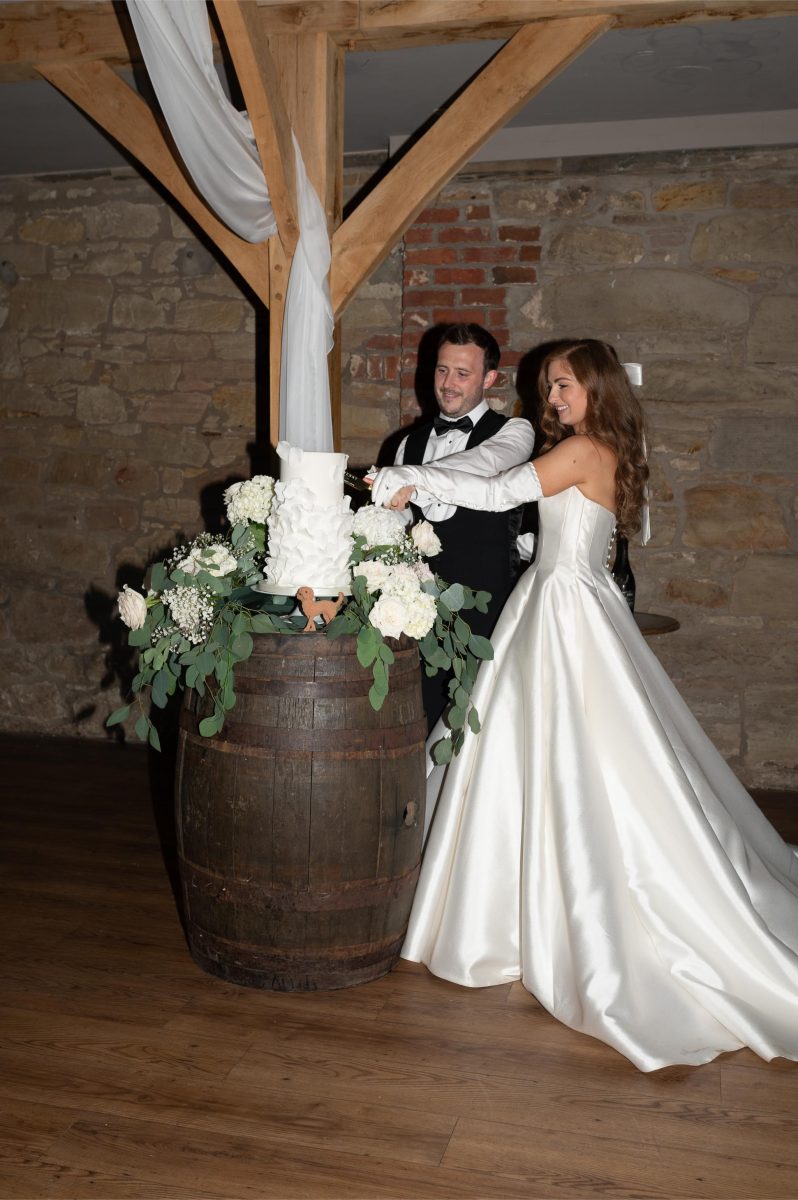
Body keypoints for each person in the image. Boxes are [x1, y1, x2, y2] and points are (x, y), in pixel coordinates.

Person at [371, 338, 798, 1072]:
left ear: (595, 389)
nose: (552, 400)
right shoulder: (592, 447)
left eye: (563, 387)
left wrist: (409, 480)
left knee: (566, 755)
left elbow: (503, 492)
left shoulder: (583, 450)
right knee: (535, 749)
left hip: (562, 608)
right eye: (548, 388)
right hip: (559, 599)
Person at [393, 322, 535, 728]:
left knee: (479, 729)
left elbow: (481, 465)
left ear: (489, 378)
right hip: (419, 620)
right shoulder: (409, 444)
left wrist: (413, 478)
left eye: (462, 373)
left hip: (488, 613)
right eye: (441, 371)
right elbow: (396, 528)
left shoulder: (513, 433)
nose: (447, 384)